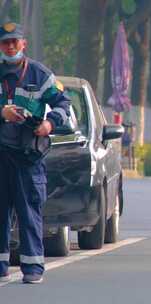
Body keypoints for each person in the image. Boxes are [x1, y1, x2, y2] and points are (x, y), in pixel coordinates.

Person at [0, 23, 70, 284]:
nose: (10, 46)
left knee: (29, 212)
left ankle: (32, 269)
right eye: (5, 42)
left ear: (23, 44)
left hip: (28, 156)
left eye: (14, 41)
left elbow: (64, 104)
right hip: (1, 155)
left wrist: (49, 124)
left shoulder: (40, 75)